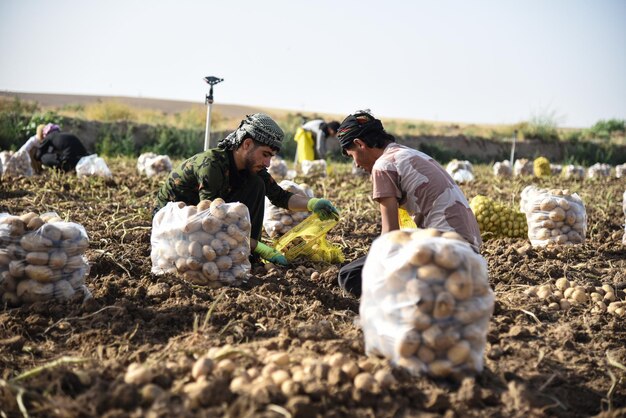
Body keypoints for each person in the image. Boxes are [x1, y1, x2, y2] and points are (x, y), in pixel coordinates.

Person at [154, 113, 339, 266]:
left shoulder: (253, 167)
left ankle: (247, 255)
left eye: (271, 157)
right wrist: (259, 246)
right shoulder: (212, 165)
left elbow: (280, 197)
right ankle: (247, 249)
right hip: (174, 222)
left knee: (256, 184)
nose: (268, 163)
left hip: (204, 220)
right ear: (247, 144)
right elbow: (210, 221)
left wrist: (313, 203)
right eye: (265, 154)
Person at [335, 110, 482, 297]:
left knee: (350, 275)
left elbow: (390, 236)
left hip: (445, 255)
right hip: (472, 257)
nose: (355, 164)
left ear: (360, 144)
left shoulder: (383, 166)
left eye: (351, 155)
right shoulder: (411, 154)